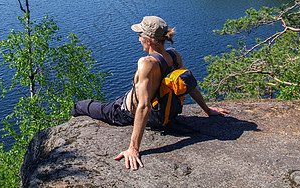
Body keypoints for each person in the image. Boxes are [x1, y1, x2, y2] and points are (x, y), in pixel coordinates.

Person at [71, 16, 229, 170]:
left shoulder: (146, 63)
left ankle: (71, 130)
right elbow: (189, 84)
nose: (138, 39)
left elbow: (144, 106)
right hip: (167, 113)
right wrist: (207, 110)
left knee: (80, 106)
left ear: (147, 39)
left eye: (140, 35)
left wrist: (133, 148)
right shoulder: (174, 55)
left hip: (126, 112)